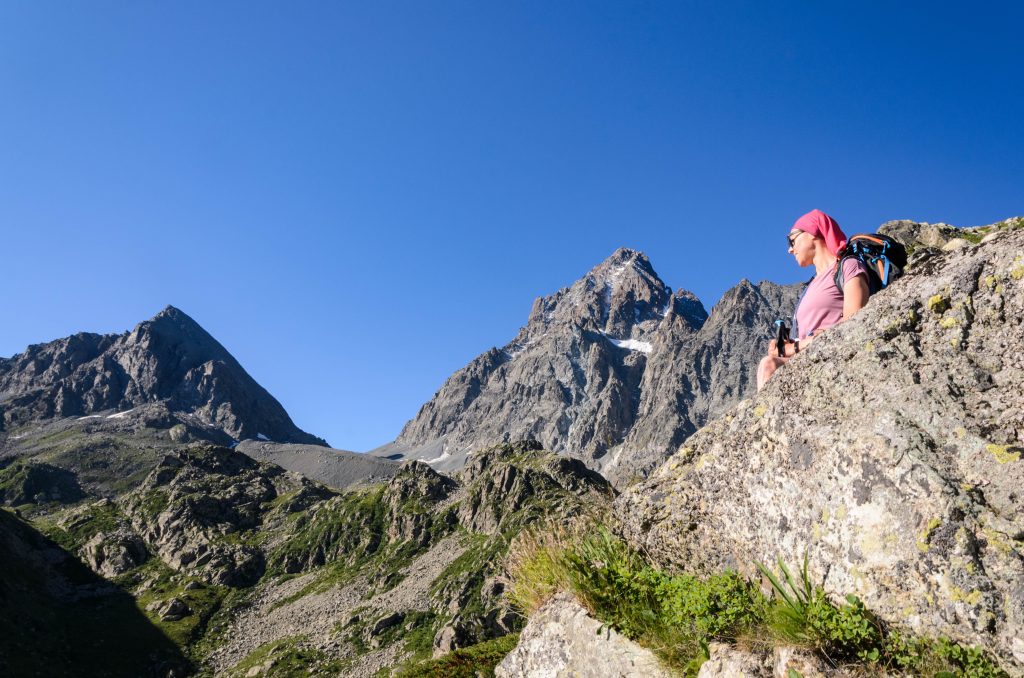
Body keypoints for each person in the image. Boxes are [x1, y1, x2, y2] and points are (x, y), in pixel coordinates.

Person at [756, 210, 870, 390]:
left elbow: (854, 323)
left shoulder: (848, 266)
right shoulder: (810, 286)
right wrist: (787, 347)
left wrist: (794, 348)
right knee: (769, 363)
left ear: (812, 233)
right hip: (808, 361)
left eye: (791, 240)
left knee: (768, 365)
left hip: (832, 359)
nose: (790, 249)